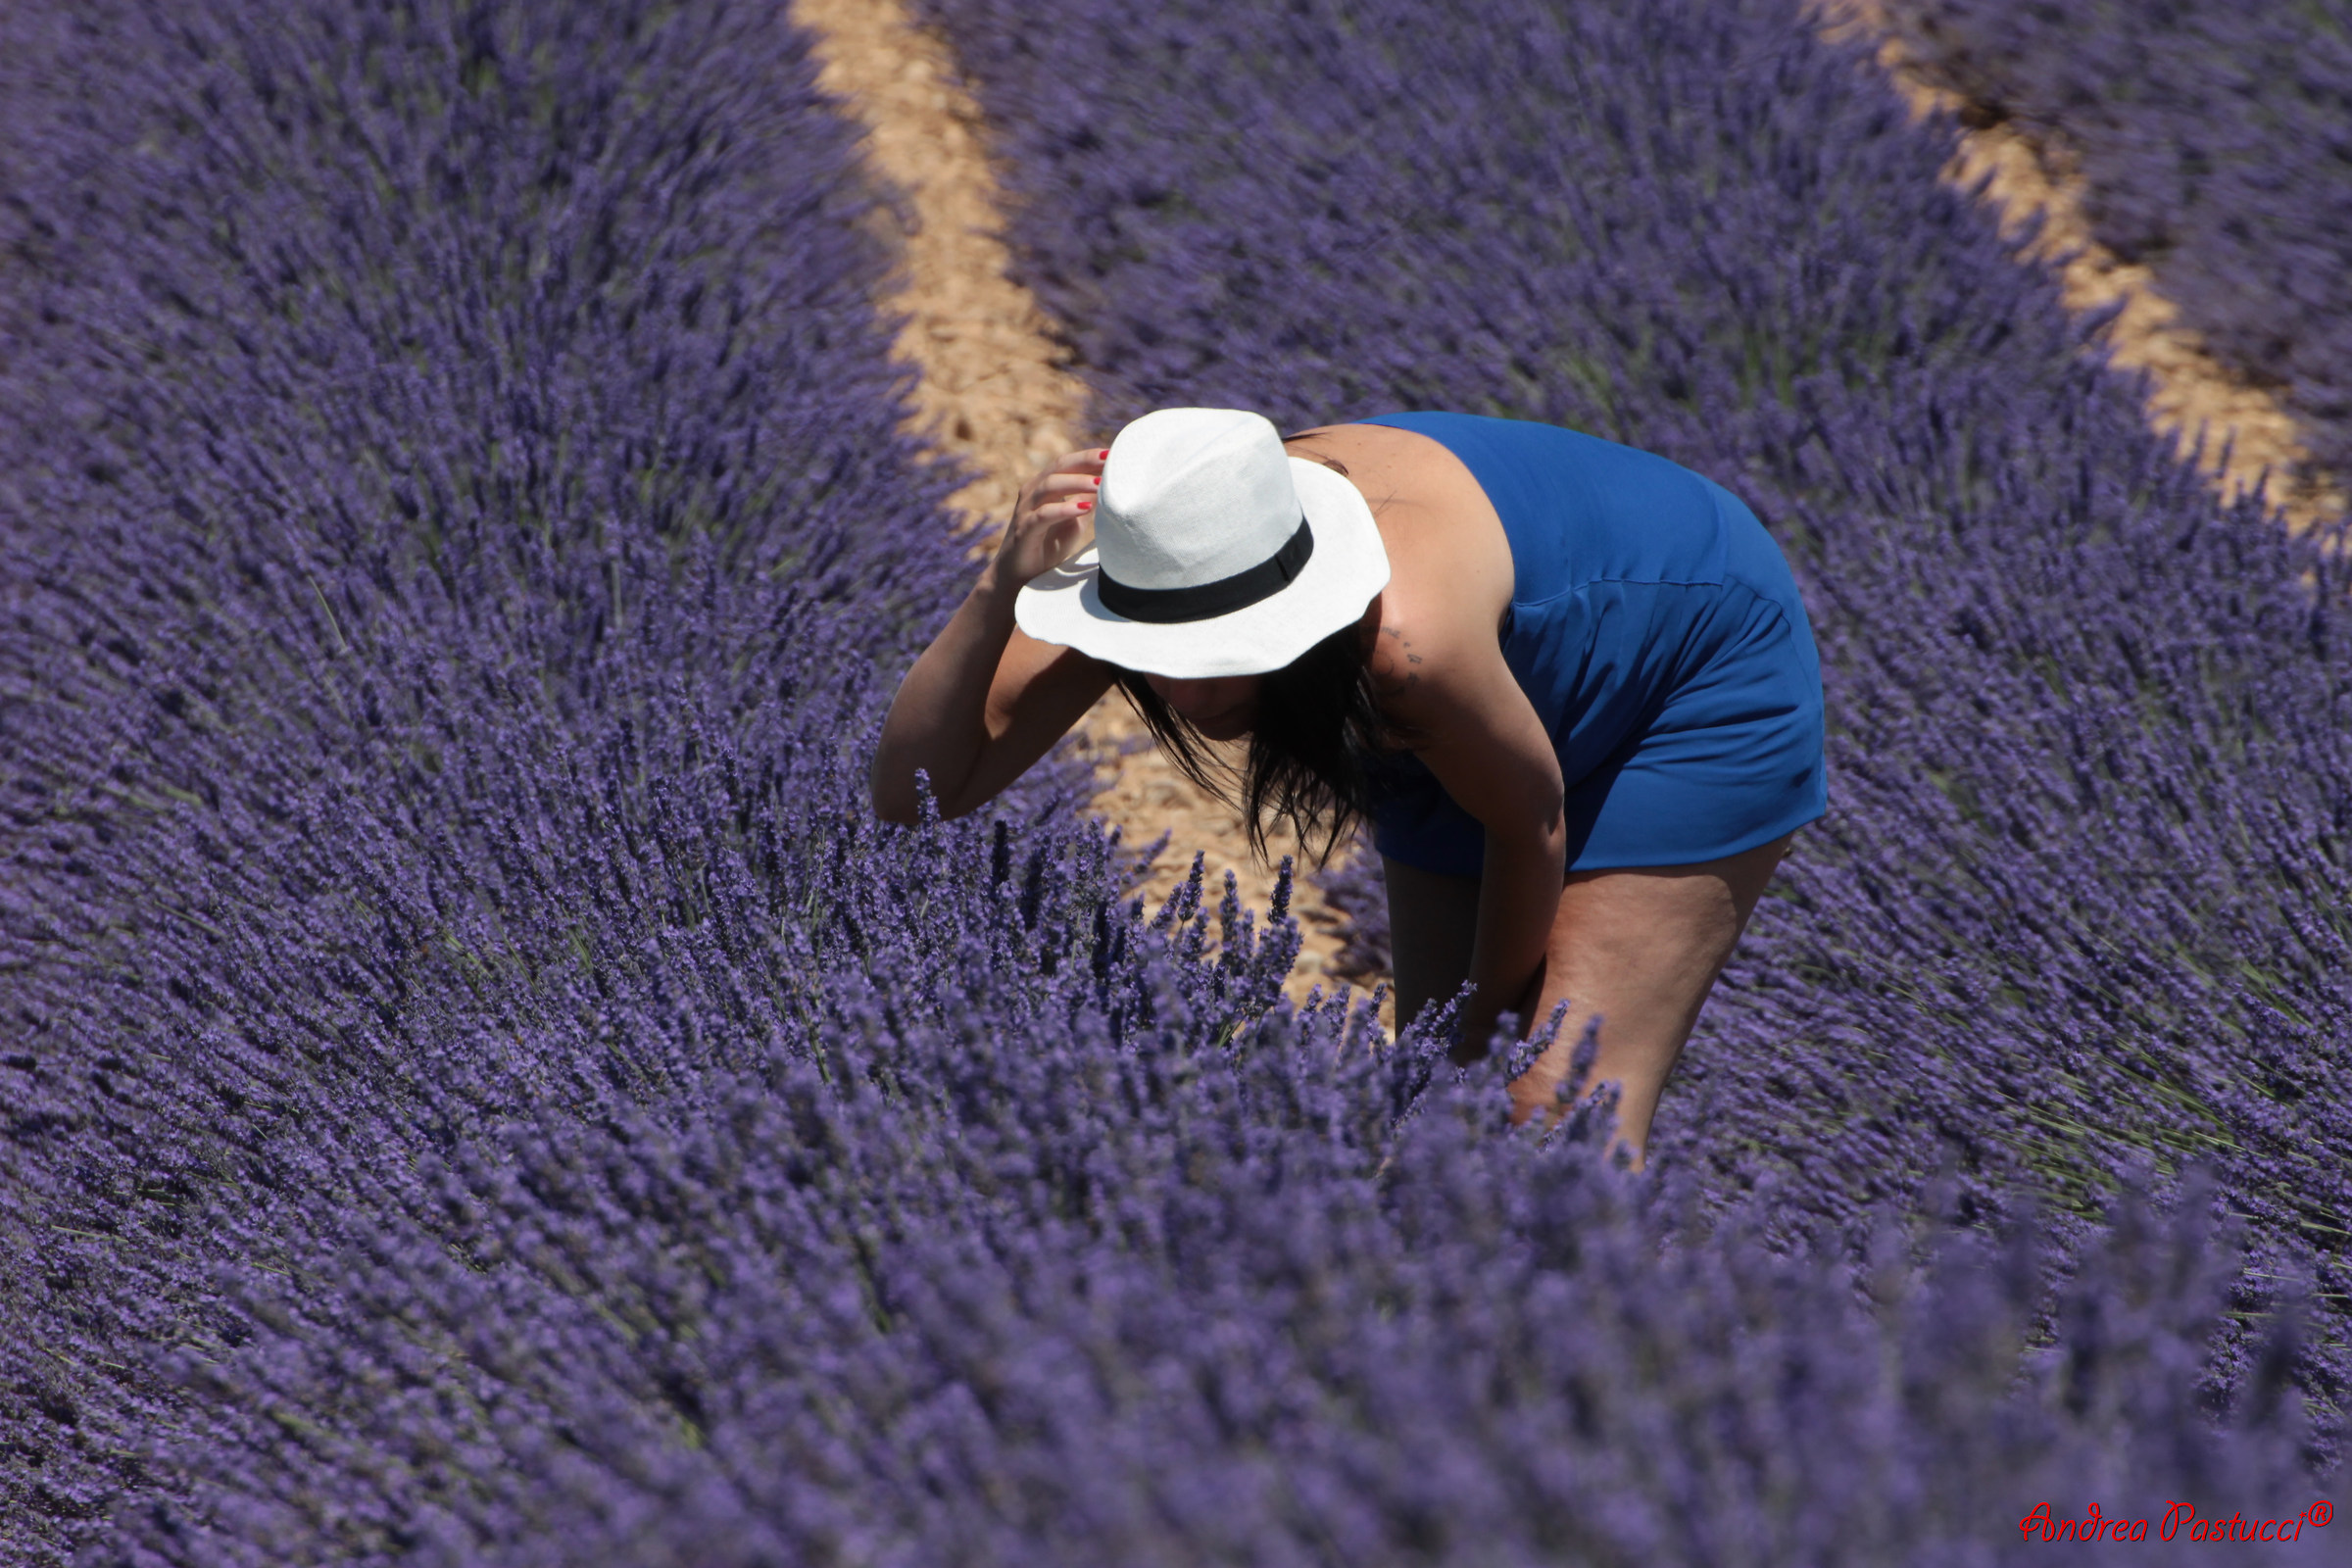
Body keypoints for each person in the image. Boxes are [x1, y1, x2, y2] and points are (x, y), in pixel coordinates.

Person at [871, 407, 1825, 1160]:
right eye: (1156, 650)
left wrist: (1478, 1049)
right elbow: (917, 791)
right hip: (1474, 700)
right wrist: (998, 590)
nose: (1183, 686)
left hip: (1690, 661)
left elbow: (1528, 818)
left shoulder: (1404, 651)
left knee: (1552, 1112)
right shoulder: (1156, 553)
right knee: (1440, 1128)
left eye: (1215, 650)